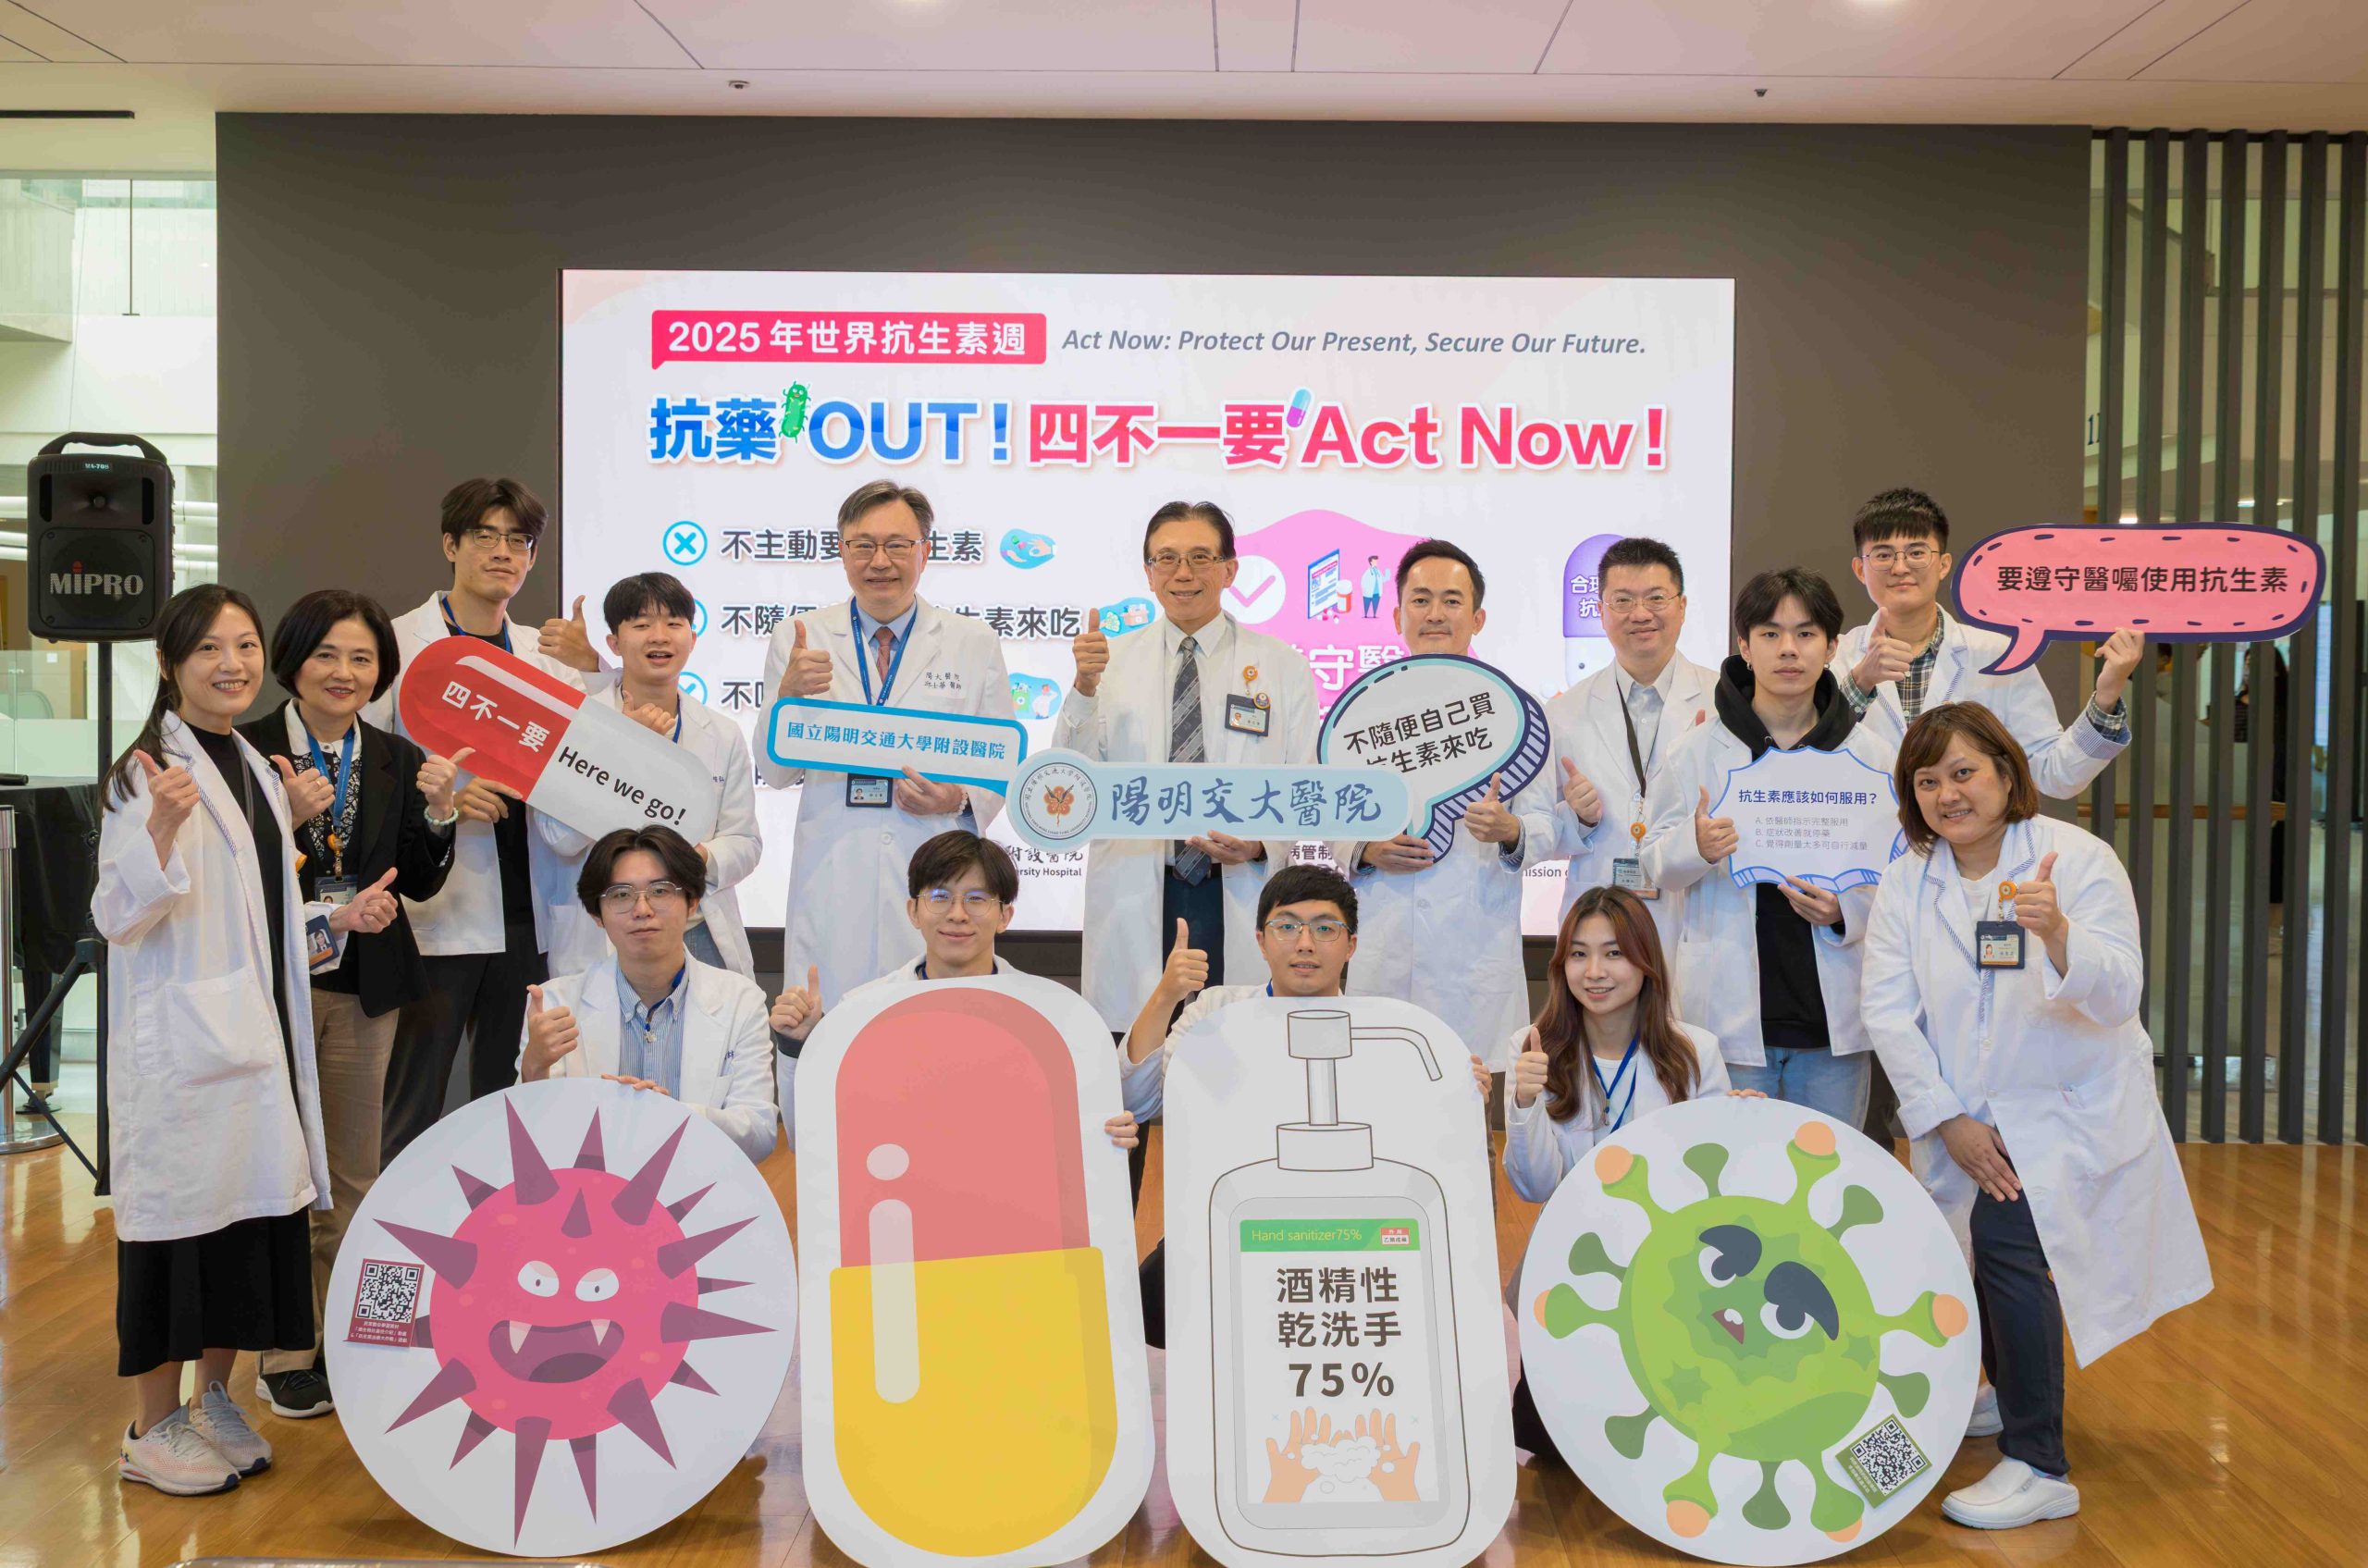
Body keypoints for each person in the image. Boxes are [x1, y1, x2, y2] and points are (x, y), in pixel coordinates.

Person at [1862, 703, 2210, 1529]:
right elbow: (1886, 1007)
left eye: (1964, 772)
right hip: (1964, 1116)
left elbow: (2120, 990)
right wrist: (1946, 1116)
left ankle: (2040, 1462)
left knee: (2007, 1252)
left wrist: (2057, 933)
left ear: (2007, 773)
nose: (1948, 794)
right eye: (1927, 780)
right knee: (1969, 1261)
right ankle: (2003, 1396)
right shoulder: (1910, 878)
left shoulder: (2077, 859)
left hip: (2060, 1111)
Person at [96, 586, 401, 1495]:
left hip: (253, 1040)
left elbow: (258, 923)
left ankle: (213, 1402)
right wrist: (158, 828)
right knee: (177, 1240)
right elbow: (116, 915)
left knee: (246, 1227)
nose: (230, 664)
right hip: (184, 1053)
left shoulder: (258, 770)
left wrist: (337, 917)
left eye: (244, 646)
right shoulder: (145, 772)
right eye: (208, 649)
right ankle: (151, 1428)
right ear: (168, 664)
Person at [235, 589, 466, 1419]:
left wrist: (439, 812)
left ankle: (356, 1338)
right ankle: (285, 1351)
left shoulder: (397, 756)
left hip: (365, 988)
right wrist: (283, 822)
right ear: (292, 661)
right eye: (327, 654)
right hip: (272, 989)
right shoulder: (247, 748)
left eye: (362, 658)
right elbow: (230, 878)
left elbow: (421, 880)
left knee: (356, 1174)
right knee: (279, 1173)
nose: (344, 671)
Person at [1123, 864, 1462, 1346]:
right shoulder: (1216, 1013)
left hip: (1350, 1239)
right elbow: (1137, 1101)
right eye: (1287, 927)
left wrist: (1462, 1094)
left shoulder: (1389, 1033)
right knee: (1150, 1310)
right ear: (1261, 941)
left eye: (1325, 929)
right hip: (1228, 1225)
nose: (1305, 944)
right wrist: (1164, 997)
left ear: (1351, 945)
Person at [367, 477, 601, 1161]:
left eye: (518, 541)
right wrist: (439, 802)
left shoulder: (547, 657)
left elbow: (588, 768)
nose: (503, 552)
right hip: (440, 910)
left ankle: (505, 1221)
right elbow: (373, 767)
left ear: (532, 557)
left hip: (530, 912)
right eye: (485, 536)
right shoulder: (399, 643)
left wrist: (594, 670)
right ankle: (400, 1224)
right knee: (413, 1102)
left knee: (516, 1101)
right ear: (451, 544)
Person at [1501, 883, 1748, 1466]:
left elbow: (1714, 1189)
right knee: (1551, 1447)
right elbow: (1534, 1187)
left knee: (1664, 1444)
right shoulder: (1534, 1047)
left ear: (1644, 961)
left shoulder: (1695, 1051)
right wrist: (1524, 1103)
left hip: (1669, 1272)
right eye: (1579, 954)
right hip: (1571, 1264)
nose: (1595, 972)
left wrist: (1741, 1128)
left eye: (1613, 953)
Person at [1641, 568, 1894, 1124]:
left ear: (1832, 647)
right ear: (1744, 646)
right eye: (1770, 633)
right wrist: (1695, 846)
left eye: (1806, 634)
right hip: (1729, 1024)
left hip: (1831, 1028)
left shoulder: (1871, 756)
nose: (1788, 650)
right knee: (1725, 1170)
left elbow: (1899, 877)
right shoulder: (1696, 751)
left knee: (1827, 1171)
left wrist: (1844, 911)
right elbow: (1653, 864)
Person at [1055, 501, 1318, 1030]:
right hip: (1138, 885)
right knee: (1136, 1052)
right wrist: (1083, 688)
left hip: (1238, 885)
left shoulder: (1281, 665)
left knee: (1237, 1046)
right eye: (1167, 559)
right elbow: (1068, 783)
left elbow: (1307, 783)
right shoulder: (1109, 662)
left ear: (1230, 570)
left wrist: (1261, 845)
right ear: (1148, 572)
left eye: (1201, 557)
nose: (1184, 573)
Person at [759, 480, 1014, 1008]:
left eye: (897, 545)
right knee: (830, 1027)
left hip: (932, 867)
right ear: (841, 551)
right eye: (863, 545)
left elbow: (999, 767)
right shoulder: (801, 636)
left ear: (925, 551)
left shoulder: (972, 642)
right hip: (834, 868)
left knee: (930, 1027)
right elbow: (776, 773)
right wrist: (787, 699)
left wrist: (957, 798)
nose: (880, 561)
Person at [1332, 540, 1563, 1073]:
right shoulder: (1361, 712)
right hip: (1385, 944)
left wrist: (1510, 829)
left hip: (1473, 956)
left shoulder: (1516, 714)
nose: (1435, 614)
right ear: (1397, 616)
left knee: (1469, 1104)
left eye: (1452, 601)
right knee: (1377, 1100)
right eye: (1421, 600)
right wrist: (1364, 849)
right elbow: (1330, 812)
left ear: (1477, 618)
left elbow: (1545, 825)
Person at [768, 830, 1136, 1150]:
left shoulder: (1054, 1013)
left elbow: (1077, 1123)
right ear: (913, 911)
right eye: (940, 897)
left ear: (1005, 916)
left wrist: (1107, 1133)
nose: (957, 914)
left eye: (976, 899)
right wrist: (798, 1046)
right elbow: (810, 1139)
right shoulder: (862, 1011)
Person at [1833, 488, 2142, 799]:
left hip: (1965, 829)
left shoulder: (1998, 655)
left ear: (1943, 565)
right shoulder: (1834, 656)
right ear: (1860, 569)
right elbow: (1809, 750)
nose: (1900, 568)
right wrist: (1861, 683)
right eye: (1883, 555)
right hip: (1861, 830)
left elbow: (2055, 774)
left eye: (1916, 553)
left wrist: (2107, 696)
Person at [536, 573, 762, 982]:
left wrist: (690, 860)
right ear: (614, 643)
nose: (659, 636)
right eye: (641, 625)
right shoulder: (574, 722)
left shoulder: (722, 732)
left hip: (699, 931)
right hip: (606, 934)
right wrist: (623, 751)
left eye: (674, 623)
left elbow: (744, 842)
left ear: (692, 638)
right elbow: (558, 837)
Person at [517, 826, 777, 1165]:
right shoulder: (556, 1002)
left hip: (700, 1182)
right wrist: (534, 1069)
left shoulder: (741, 1001)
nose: (642, 909)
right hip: (591, 1187)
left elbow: (760, 1134)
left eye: (660, 891)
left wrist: (670, 1118)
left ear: (693, 902)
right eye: (621, 895)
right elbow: (534, 1140)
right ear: (597, 914)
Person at [1545, 537, 1717, 942]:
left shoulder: (1724, 703)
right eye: (1622, 601)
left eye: (1656, 598)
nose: (1640, 614)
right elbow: (1536, 836)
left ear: (1682, 606)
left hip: (1695, 916)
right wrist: (1576, 819)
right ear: (1600, 611)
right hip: (1598, 921)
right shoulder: (1563, 712)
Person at [1361, 554, 1383, 619]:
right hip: (1368, 592)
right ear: (1371, 562)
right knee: (1366, 604)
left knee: (1375, 604)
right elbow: (1363, 581)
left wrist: (1388, 573)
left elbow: (1382, 579)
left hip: (1377, 592)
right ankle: (1365, 615)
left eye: (1376, 561)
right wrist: (1365, 589)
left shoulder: (1378, 571)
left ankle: (1374, 615)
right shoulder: (1368, 572)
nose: (1376, 562)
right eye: (1374, 561)